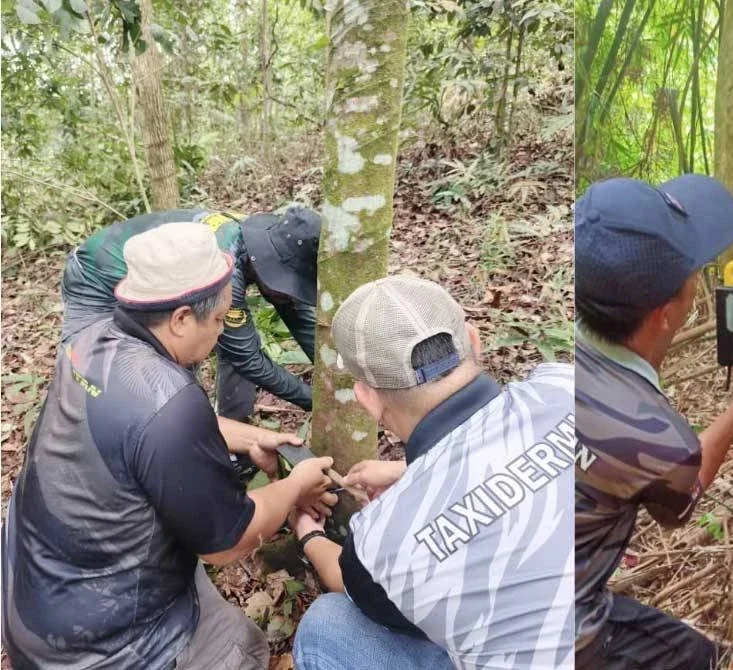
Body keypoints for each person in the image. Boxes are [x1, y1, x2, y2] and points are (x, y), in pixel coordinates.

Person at [2, 223, 338, 669]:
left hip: (33, 595)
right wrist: (296, 487)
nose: (221, 333)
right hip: (93, 649)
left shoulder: (91, 342)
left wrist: (255, 436)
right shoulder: (171, 402)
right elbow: (228, 542)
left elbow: (139, 428)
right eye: (218, 319)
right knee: (243, 646)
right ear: (181, 319)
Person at [288, 275, 575, 669]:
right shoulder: (566, 389)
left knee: (328, 624)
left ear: (367, 399)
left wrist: (309, 534)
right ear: (474, 341)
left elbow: (348, 582)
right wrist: (409, 471)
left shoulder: (381, 541)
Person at [574, 176, 733, 669]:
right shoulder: (649, 435)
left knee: (691, 652)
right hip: (556, 629)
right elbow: (681, 503)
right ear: (664, 314)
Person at [60, 206, 321, 421]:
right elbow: (248, 359)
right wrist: (315, 401)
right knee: (91, 367)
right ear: (267, 266)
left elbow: (296, 317)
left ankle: (229, 435)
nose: (289, 297)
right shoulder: (226, 262)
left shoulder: (263, 242)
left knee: (224, 339)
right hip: (96, 276)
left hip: (165, 283)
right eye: (286, 286)